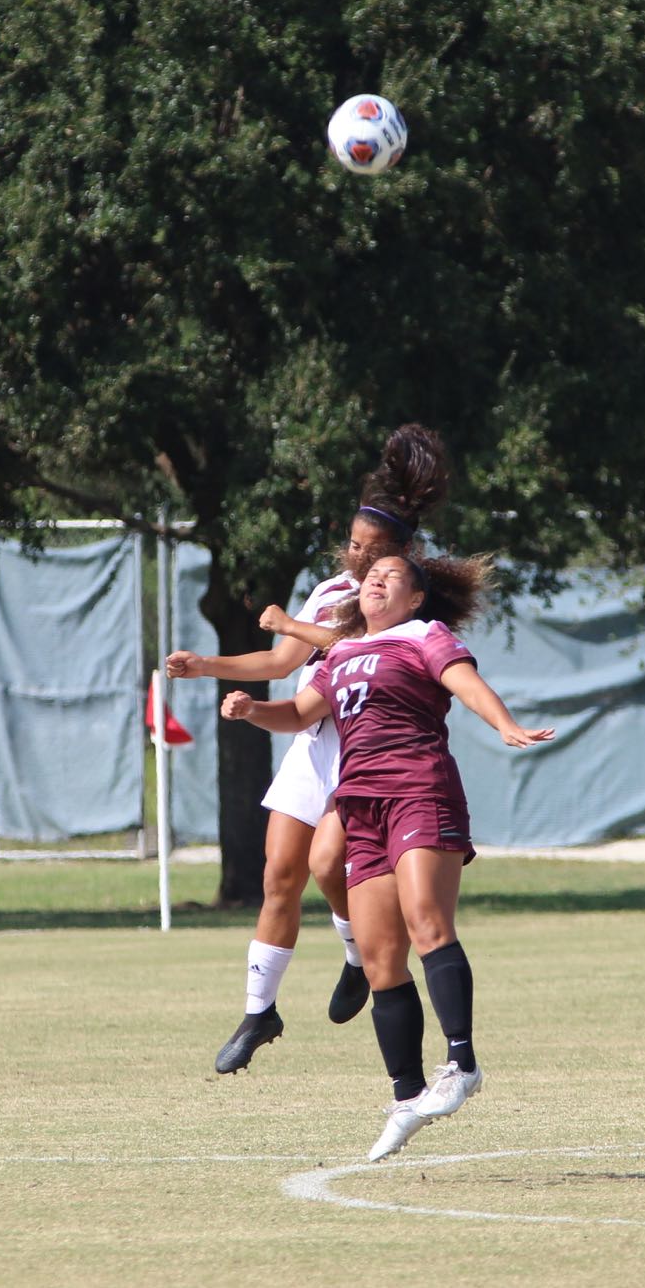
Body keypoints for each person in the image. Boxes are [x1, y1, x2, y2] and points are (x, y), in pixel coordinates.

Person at [220, 550, 552, 1161]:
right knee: (378, 961)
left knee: (427, 917)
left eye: (392, 576)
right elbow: (298, 714)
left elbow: (467, 684)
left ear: (416, 598)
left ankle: (462, 1063)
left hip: (419, 788)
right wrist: (251, 712)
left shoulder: (424, 635)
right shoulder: (340, 651)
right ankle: (406, 1097)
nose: (376, 579)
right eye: (373, 575)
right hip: (358, 806)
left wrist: (504, 723)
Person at [164, 423, 451, 1073]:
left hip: (363, 751)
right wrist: (205, 665)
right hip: (310, 745)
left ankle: (356, 956)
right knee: (278, 877)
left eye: (371, 550)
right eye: (352, 544)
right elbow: (281, 659)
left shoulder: (404, 601)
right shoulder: (328, 593)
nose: (357, 559)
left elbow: (352, 647)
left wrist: (290, 624)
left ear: (400, 555)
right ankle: (258, 1011)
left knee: (329, 864)